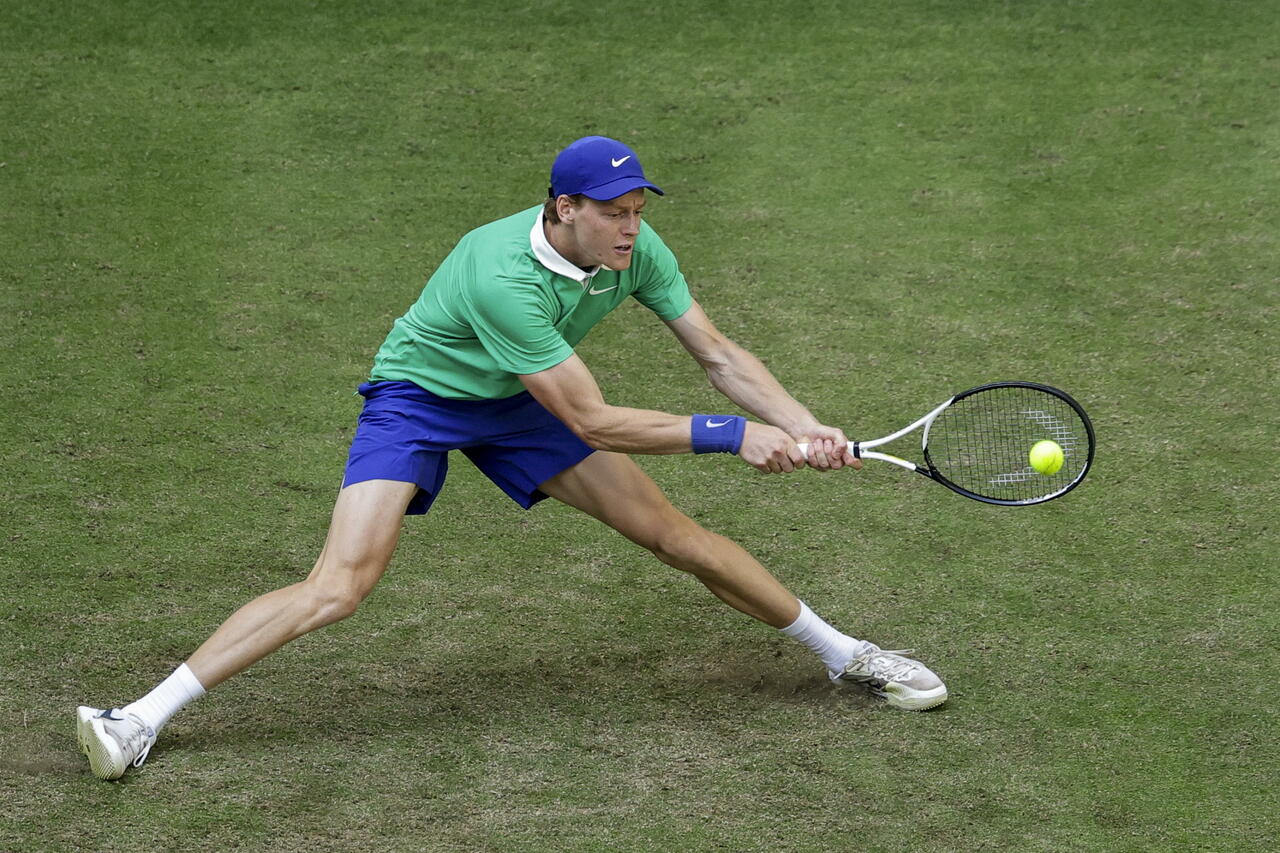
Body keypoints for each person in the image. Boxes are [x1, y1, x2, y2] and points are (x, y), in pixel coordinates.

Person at [77, 136, 946, 781]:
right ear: (562, 208)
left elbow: (717, 353)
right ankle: (138, 719)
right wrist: (732, 435)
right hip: (422, 399)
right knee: (339, 586)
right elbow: (592, 417)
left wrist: (803, 423)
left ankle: (847, 654)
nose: (630, 231)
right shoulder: (501, 271)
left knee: (674, 535)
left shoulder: (634, 252)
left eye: (639, 211)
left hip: (520, 402)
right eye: (612, 212)